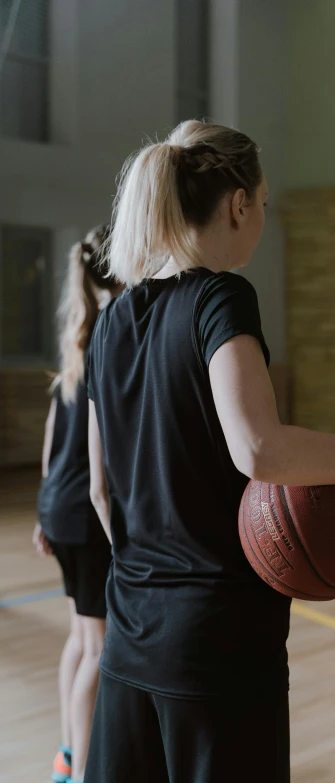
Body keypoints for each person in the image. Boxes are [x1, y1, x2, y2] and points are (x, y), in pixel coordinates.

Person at [83, 120, 335, 783]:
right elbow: (259, 449)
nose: (261, 216)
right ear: (238, 204)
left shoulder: (112, 320)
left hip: (128, 637)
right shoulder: (220, 297)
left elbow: (101, 487)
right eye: (263, 203)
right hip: (214, 646)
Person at [33, 226, 121, 783]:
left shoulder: (78, 339)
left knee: (79, 636)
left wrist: (46, 507)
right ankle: (84, 770)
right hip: (85, 515)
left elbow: (50, 434)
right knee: (97, 648)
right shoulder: (115, 335)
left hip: (56, 506)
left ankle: (68, 753)